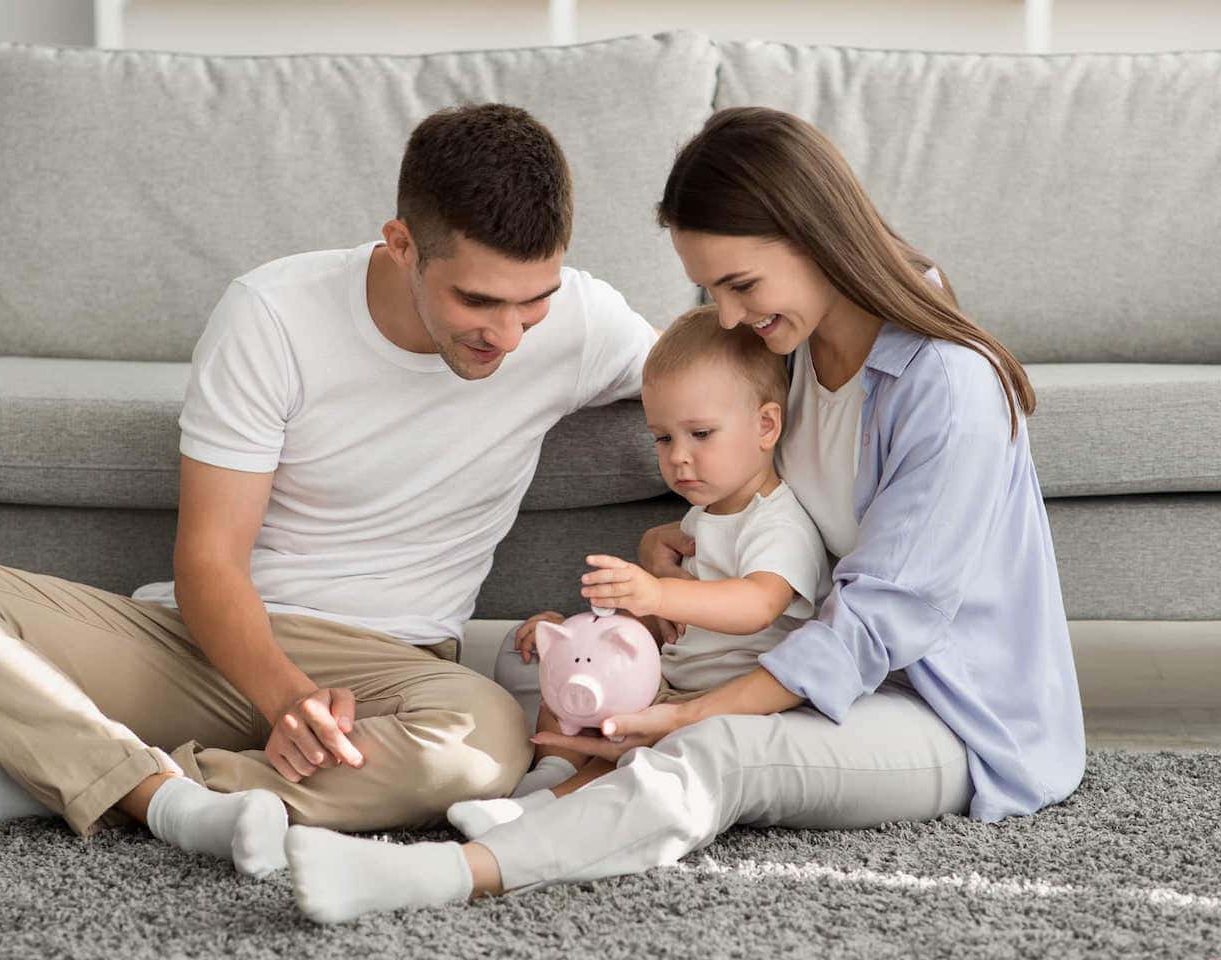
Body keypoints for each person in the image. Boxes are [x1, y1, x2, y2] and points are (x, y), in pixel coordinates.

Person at [280, 106, 1085, 924]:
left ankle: (449, 874)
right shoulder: (792, 347)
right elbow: (758, 481)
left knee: (717, 749)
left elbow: (879, 624)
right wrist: (691, 548)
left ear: (815, 239)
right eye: (713, 291)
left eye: (742, 286)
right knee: (551, 663)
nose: (729, 317)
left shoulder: (946, 386)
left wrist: (687, 713)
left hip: (939, 710)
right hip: (805, 659)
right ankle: (550, 803)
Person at [0, 103, 659, 879]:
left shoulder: (583, 323)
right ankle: (139, 787)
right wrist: (287, 698)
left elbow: (727, 387)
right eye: (478, 301)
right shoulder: (274, 315)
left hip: (395, 672)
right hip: (205, 645)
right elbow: (209, 558)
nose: (510, 335)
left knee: (483, 747)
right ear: (403, 244)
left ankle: (101, 777)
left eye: (534, 302)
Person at [445, 303, 831, 840]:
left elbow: (757, 605)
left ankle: (539, 811)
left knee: (636, 753)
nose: (678, 458)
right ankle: (552, 767)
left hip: (729, 699)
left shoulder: (777, 522)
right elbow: (674, 625)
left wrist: (659, 595)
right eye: (664, 438)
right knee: (582, 671)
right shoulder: (706, 515)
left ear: (766, 425)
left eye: (700, 434)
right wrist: (593, 629)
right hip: (676, 678)